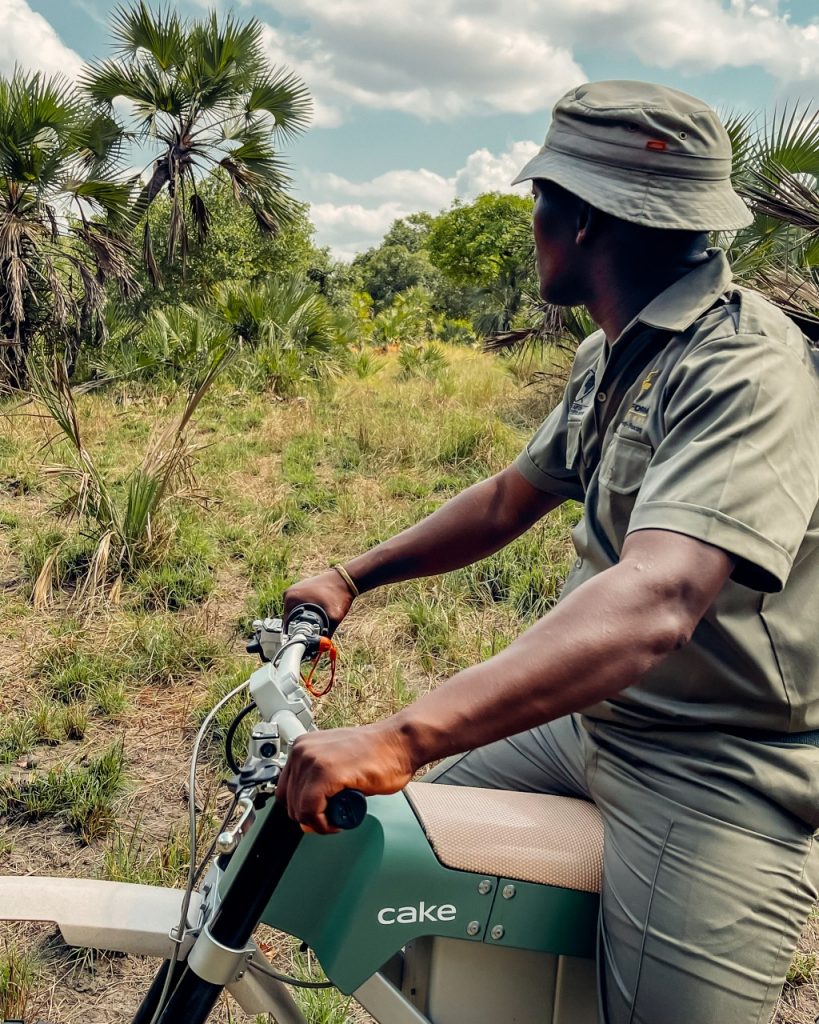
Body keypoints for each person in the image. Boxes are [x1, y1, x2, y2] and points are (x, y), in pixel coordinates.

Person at [278, 81, 819, 1023]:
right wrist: (352, 575)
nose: (531, 221)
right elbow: (504, 501)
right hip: (587, 721)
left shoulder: (743, 366)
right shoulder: (615, 353)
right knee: (417, 868)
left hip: (716, 762)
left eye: (539, 199)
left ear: (581, 222)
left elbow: (657, 597)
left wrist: (400, 735)